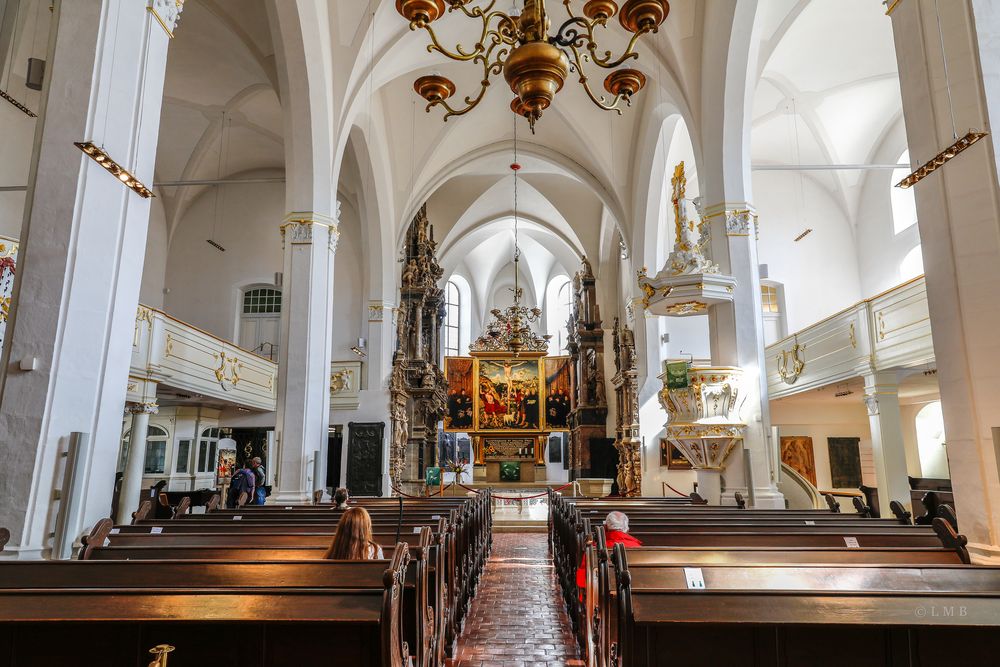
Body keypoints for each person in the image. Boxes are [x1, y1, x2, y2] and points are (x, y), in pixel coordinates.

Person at [576, 511, 642, 593]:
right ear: (627, 528)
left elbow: (582, 579)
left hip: (598, 594)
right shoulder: (638, 549)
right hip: (633, 594)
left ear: (606, 527)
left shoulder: (594, 549)